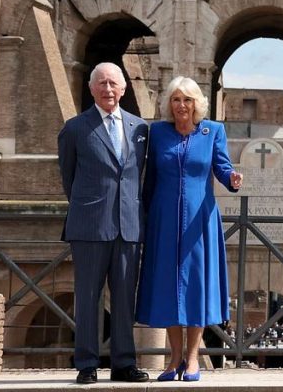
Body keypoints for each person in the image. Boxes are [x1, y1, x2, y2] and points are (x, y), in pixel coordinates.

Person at [136, 77, 243, 382]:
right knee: (169, 285)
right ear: (169, 104)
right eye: (176, 100)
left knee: (195, 285)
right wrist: (144, 217)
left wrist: (231, 178)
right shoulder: (157, 132)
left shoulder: (213, 132)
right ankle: (174, 359)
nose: (181, 105)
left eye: (187, 100)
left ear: (197, 104)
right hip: (163, 219)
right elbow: (149, 179)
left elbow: (222, 167)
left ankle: (193, 358)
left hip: (200, 220)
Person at [58, 63, 150, 385]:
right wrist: (90, 207)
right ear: (91, 88)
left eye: (113, 84)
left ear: (123, 89)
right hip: (89, 226)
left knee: (125, 298)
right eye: (102, 84)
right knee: (87, 298)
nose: (108, 89)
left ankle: (125, 363)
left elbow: (141, 178)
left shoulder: (140, 129)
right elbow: (68, 179)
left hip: (129, 226)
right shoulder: (75, 128)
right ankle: (86, 363)